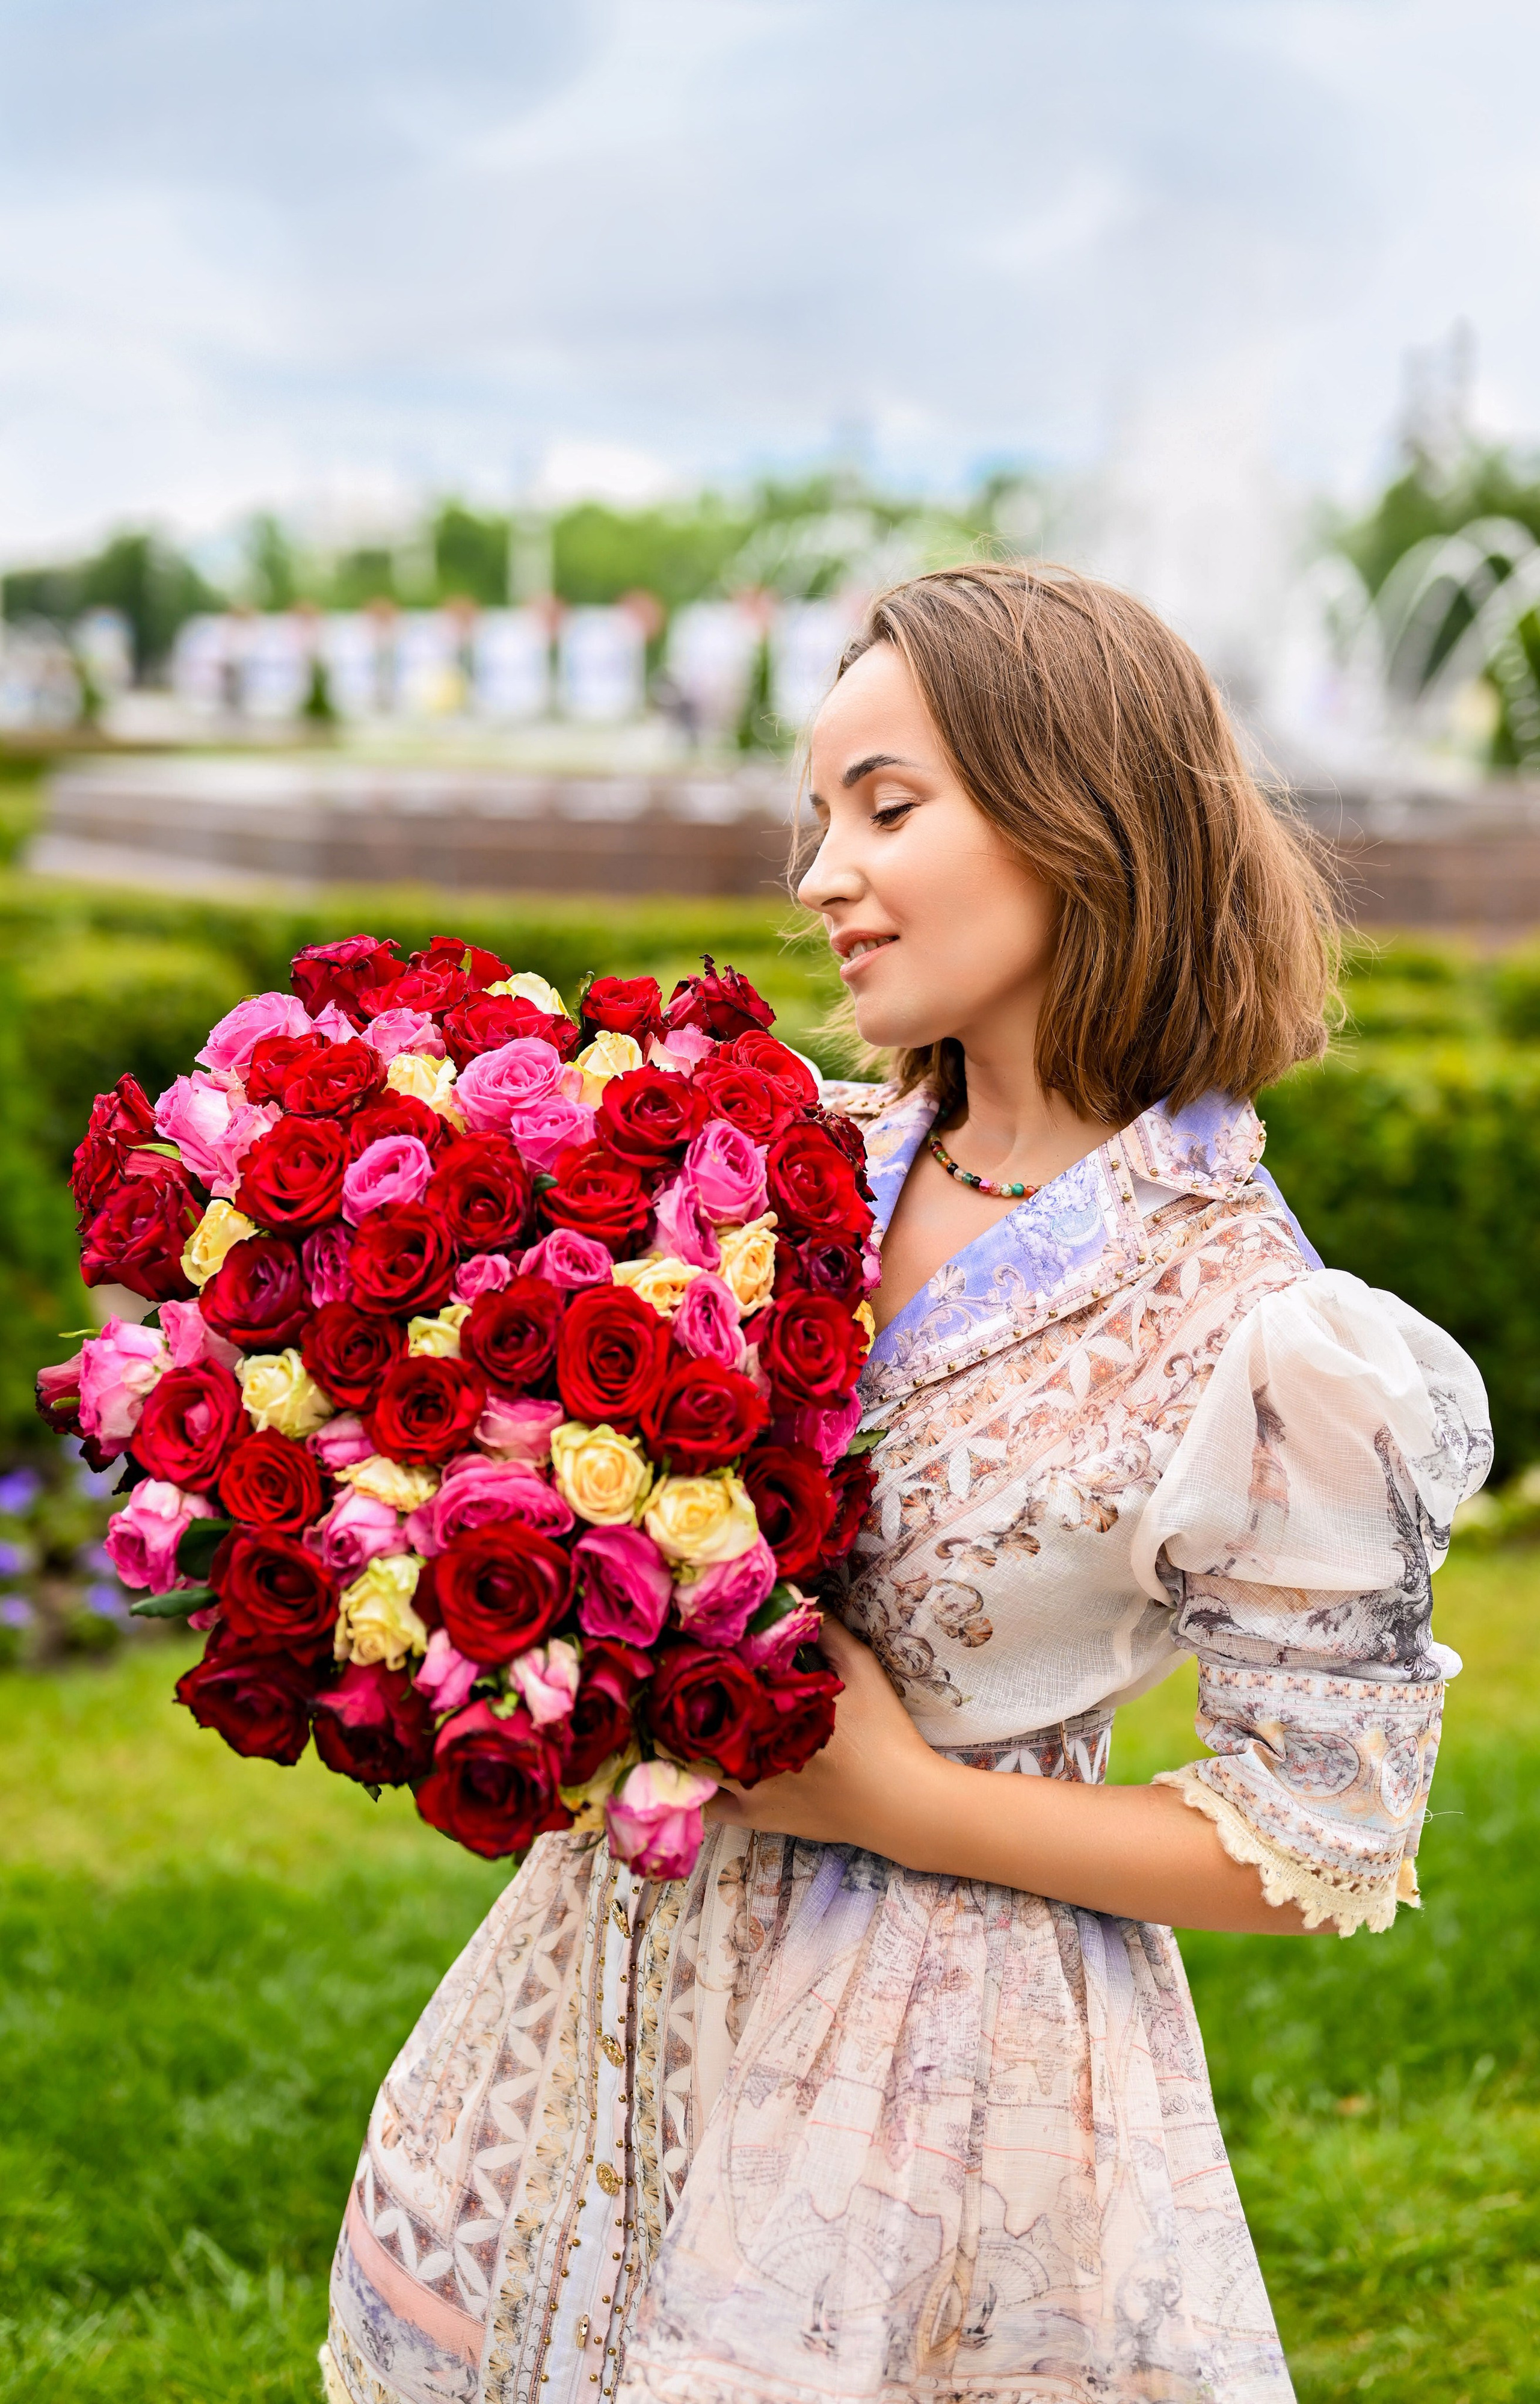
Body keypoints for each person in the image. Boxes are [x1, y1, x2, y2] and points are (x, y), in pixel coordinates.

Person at [322, 565, 1491, 2404]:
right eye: (817, 820)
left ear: (1081, 818)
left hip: (936, 2074)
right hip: (608, 1974)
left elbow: (1322, 1840)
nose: (820, 878)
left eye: (886, 807)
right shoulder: (790, 1165)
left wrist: (897, 1799)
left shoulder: (1256, 1319)